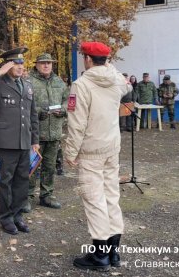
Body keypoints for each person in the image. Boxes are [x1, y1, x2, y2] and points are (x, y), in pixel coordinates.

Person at [65, 42, 131, 271]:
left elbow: (77, 123)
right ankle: (113, 252)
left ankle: (99, 255)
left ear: (88, 59)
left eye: (84, 56)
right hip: (111, 148)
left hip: (92, 150)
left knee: (94, 200)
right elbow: (126, 86)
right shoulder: (115, 81)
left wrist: (71, 152)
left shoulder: (81, 84)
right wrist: (109, 66)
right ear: (106, 60)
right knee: (111, 195)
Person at [0, 47, 39, 235]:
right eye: (15, 63)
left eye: (22, 63)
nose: (20, 67)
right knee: (6, 181)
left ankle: (17, 215)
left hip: (24, 140)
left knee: (22, 180)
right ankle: (6, 218)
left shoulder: (27, 85)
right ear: (7, 65)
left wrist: (35, 140)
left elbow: (32, 114)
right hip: (7, 141)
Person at [24, 53, 68, 212]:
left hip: (54, 132)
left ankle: (46, 195)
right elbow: (22, 104)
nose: (46, 65)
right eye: (42, 63)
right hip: (35, 133)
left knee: (49, 166)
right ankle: (26, 196)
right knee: (31, 165)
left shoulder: (59, 82)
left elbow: (68, 100)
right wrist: (37, 111)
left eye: (48, 63)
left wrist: (62, 110)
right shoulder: (28, 81)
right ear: (36, 65)